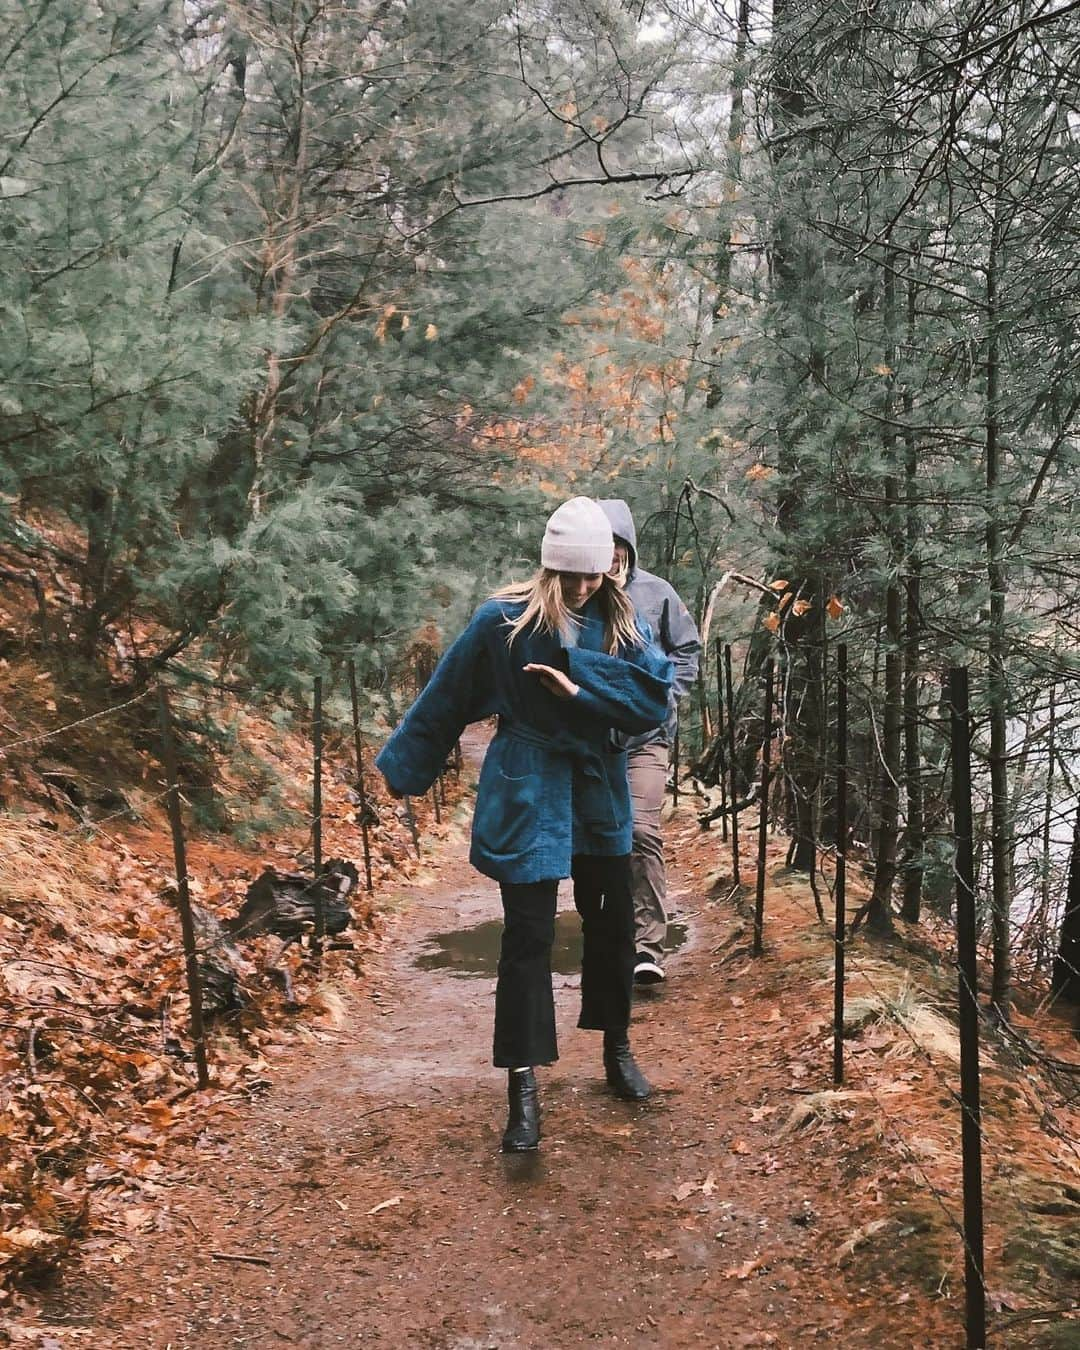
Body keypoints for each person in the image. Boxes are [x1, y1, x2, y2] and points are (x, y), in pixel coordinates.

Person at [376, 497, 673, 1153]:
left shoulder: (623, 623)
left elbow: (656, 698)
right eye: (571, 575)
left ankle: (617, 1048)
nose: (583, 587)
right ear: (548, 568)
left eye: (594, 574)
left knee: (614, 923)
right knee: (528, 938)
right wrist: (405, 767)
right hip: (529, 780)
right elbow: (445, 696)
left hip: (598, 781)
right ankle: (523, 1087)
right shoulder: (501, 623)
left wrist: (580, 688)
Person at [596, 500, 701, 986]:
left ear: (628, 547)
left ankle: (647, 947)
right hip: (591, 742)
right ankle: (607, 938)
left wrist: (664, 698)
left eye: (618, 546)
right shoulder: (577, 593)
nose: (612, 556)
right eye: (603, 546)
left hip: (646, 739)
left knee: (639, 830)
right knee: (598, 843)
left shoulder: (658, 594)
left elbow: (687, 650)